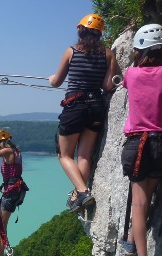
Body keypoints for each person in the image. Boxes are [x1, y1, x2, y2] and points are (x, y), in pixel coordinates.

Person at [49, 13, 117, 213]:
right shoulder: (108, 54)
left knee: (64, 155)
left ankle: (83, 192)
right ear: (99, 34)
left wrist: (50, 78)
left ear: (80, 31)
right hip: (96, 106)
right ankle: (78, 194)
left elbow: (57, 82)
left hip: (75, 106)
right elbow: (107, 85)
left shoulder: (71, 51)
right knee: (84, 155)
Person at [119, 24, 162, 256]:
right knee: (147, 197)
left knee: (139, 204)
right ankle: (130, 239)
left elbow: (124, 83)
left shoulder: (131, 74)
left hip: (138, 142)